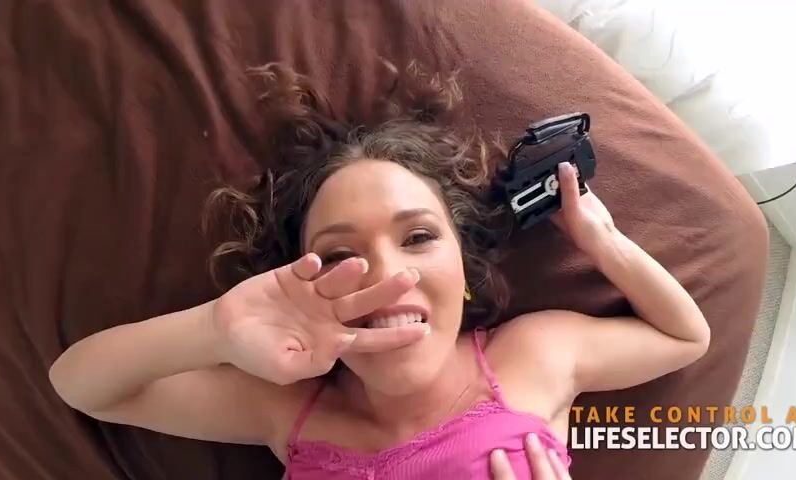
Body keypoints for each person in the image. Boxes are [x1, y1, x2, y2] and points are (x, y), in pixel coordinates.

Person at [49, 62, 710, 479]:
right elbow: (83, 386)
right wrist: (215, 329)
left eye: (418, 237)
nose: (385, 276)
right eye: (340, 256)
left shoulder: (532, 356)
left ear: (464, 266)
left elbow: (684, 337)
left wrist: (602, 240)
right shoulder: (286, 407)